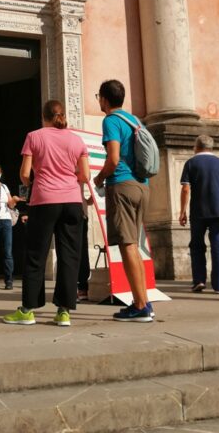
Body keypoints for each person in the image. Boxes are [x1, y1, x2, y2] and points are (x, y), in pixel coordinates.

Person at [3, 100, 89, 327]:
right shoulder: (76, 139)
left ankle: (28, 309)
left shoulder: (35, 136)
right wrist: (68, 180)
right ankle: (64, 311)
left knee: (35, 254)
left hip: (44, 200)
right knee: (69, 256)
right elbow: (85, 175)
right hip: (72, 200)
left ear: (44, 116)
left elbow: (24, 173)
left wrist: (35, 181)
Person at [92, 80, 153, 322]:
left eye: (99, 96)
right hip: (142, 185)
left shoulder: (111, 121)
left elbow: (114, 158)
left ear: (104, 99)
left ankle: (140, 305)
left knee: (127, 245)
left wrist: (99, 178)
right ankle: (143, 300)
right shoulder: (135, 120)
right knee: (133, 245)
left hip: (122, 185)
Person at [179, 135, 219, 294]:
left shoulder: (191, 163)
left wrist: (182, 211)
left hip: (198, 210)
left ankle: (199, 281)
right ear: (211, 147)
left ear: (196, 146)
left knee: (196, 246)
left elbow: (186, 189)